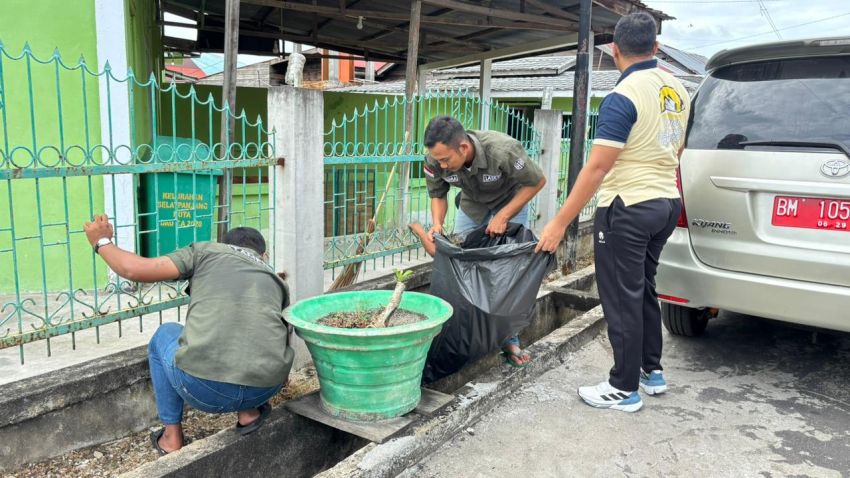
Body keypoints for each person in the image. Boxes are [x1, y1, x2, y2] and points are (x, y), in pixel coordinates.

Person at [535, 12, 691, 412]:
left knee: (621, 298)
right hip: (666, 203)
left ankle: (623, 388)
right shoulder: (679, 89)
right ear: (656, 47)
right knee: (643, 288)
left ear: (615, 50)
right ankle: (651, 371)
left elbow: (598, 167)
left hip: (629, 207)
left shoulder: (624, 95)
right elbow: (677, 151)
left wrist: (559, 223)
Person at [83, 215, 294, 453]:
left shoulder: (206, 252)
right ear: (264, 255)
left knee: (165, 333)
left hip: (204, 389)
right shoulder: (276, 281)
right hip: (265, 388)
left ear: (223, 245)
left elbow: (133, 270)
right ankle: (249, 413)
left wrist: (101, 241)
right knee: (248, 331)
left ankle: (171, 438)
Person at [418, 116, 546, 367]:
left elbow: (536, 181)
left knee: (507, 273)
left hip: (510, 203)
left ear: (463, 148)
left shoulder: (502, 150)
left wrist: (504, 215)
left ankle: (509, 339)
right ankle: (463, 334)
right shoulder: (435, 159)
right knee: (461, 264)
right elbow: (438, 194)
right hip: (472, 206)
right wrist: (437, 223)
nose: (442, 165)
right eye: (438, 160)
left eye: (446, 160)